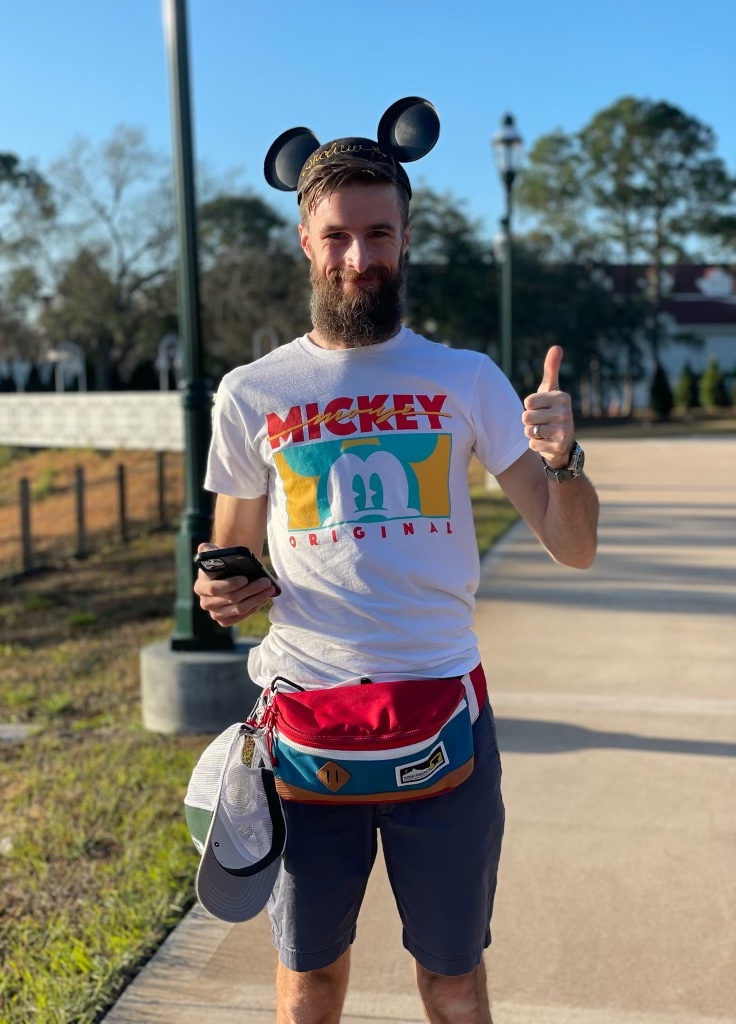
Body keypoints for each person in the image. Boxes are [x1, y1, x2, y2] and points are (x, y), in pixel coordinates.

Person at [194, 99, 599, 1024]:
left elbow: (572, 547)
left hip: (443, 714)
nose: (359, 257)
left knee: (452, 983)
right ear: (306, 239)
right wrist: (222, 586)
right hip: (305, 719)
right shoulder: (253, 393)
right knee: (308, 987)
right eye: (339, 236)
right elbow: (231, 562)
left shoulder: (466, 380)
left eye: (379, 234)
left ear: (406, 238)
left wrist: (561, 459)